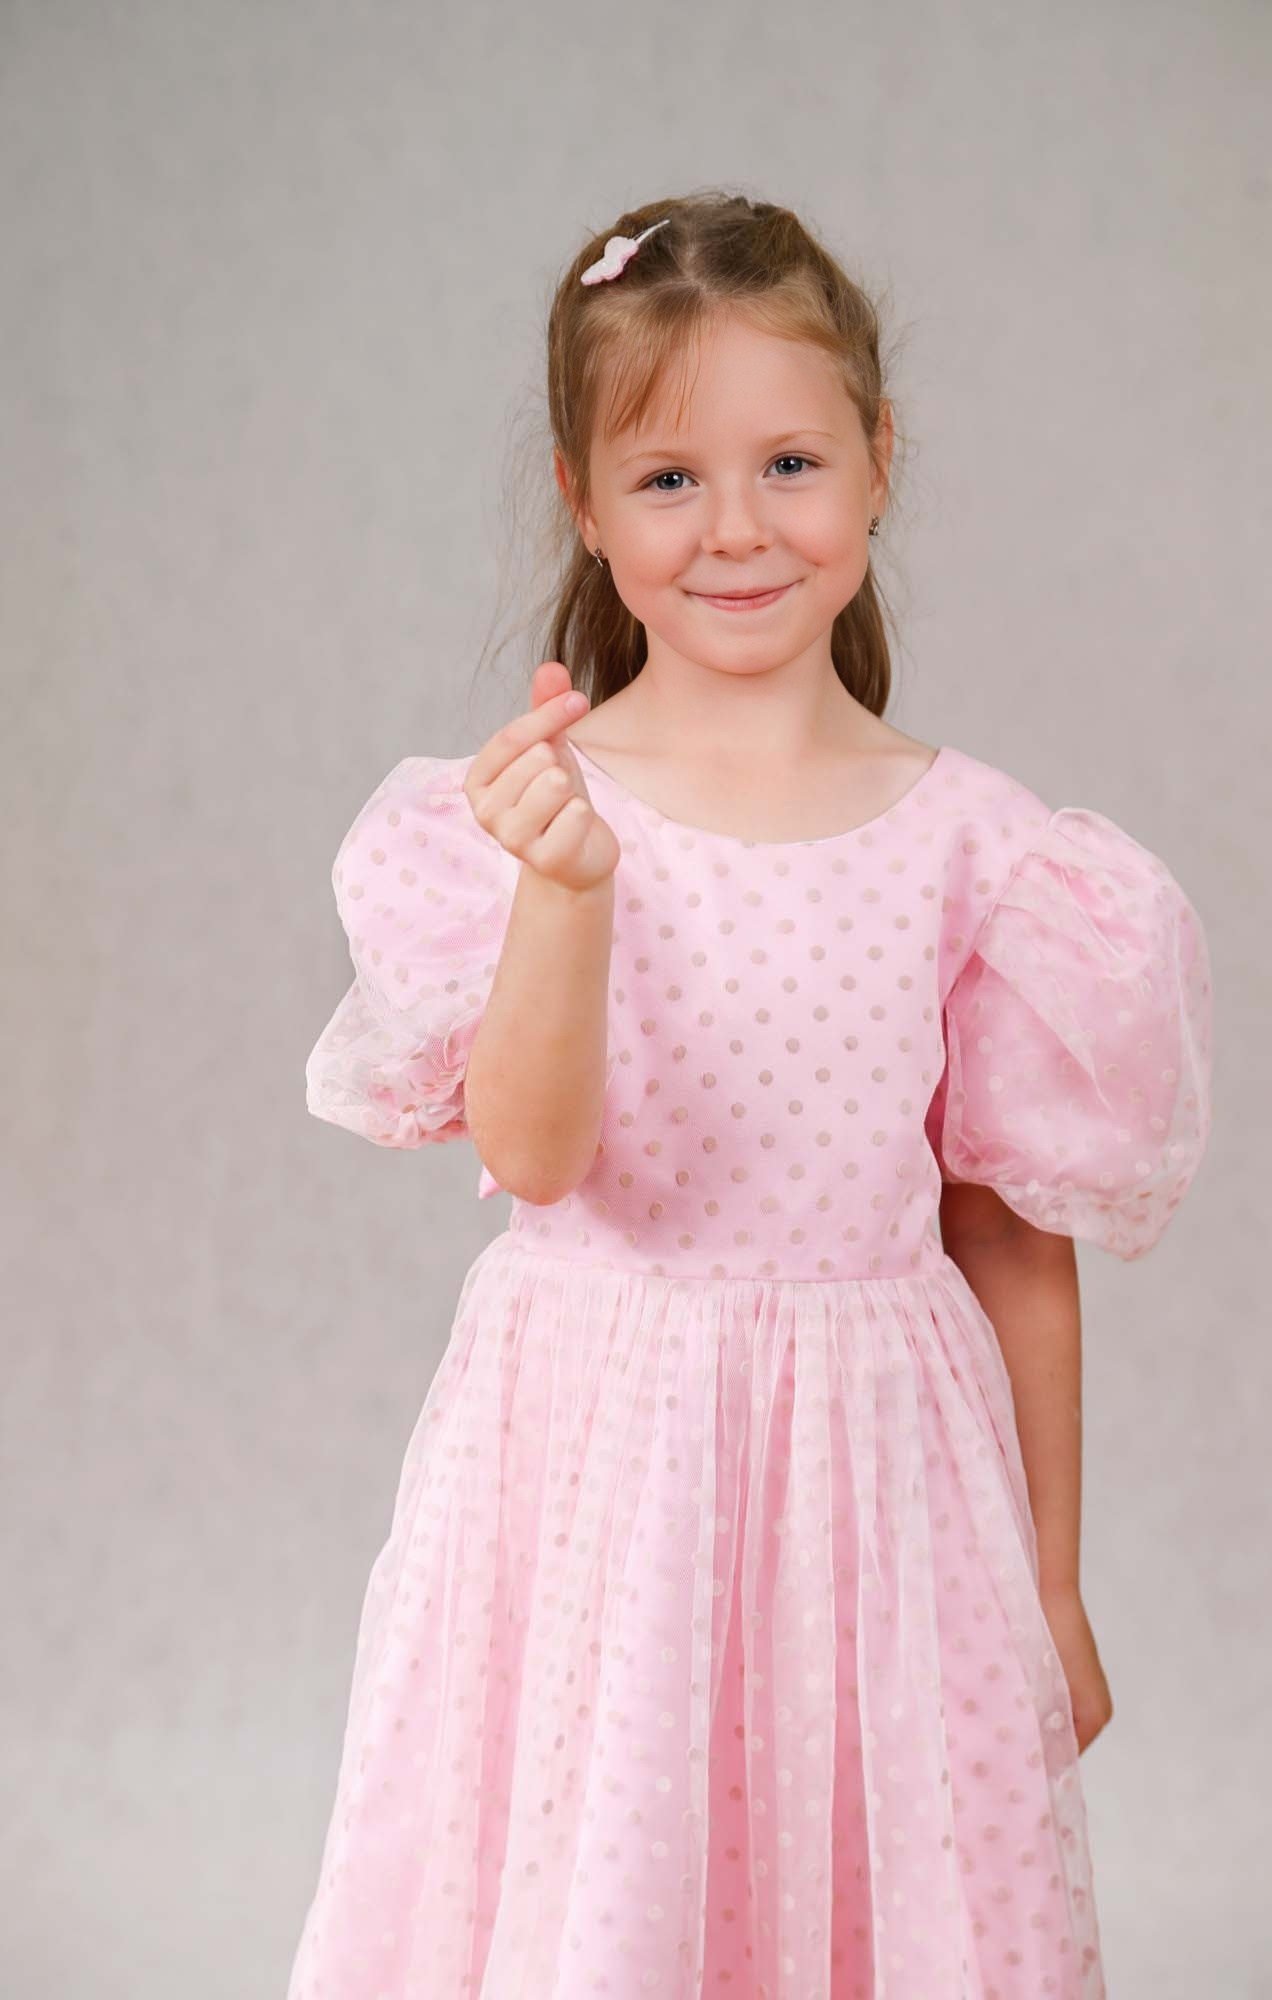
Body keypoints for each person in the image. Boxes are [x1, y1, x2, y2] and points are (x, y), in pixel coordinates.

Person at [288, 193, 1213, 1999]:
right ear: (583, 501)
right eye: (667, 480)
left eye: (788, 462)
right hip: (602, 1474)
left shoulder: (984, 851)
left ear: (878, 461)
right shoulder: (539, 814)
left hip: (880, 1491)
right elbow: (535, 1151)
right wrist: (565, 894)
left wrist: (1051, 1582)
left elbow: (1007, 1243)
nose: (734, 527)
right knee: (614, 1884)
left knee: (862, 1894)